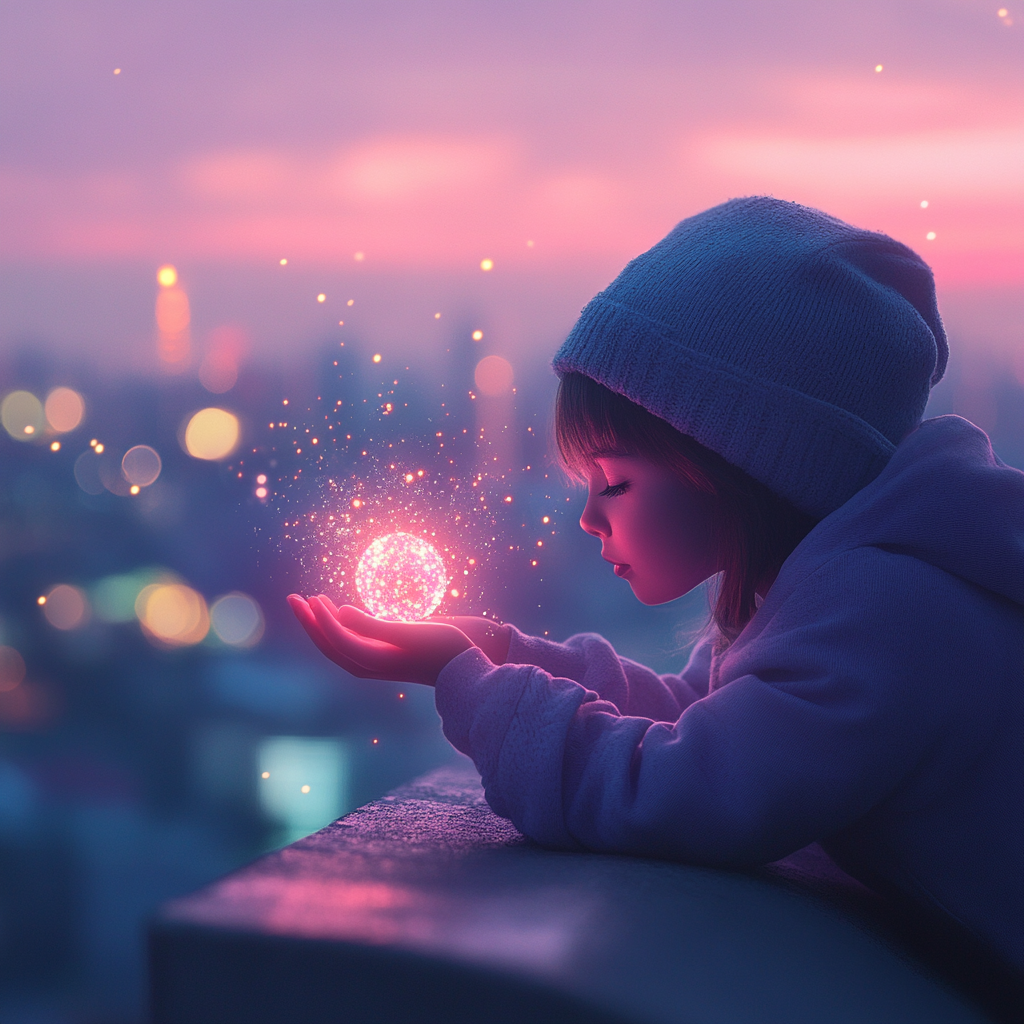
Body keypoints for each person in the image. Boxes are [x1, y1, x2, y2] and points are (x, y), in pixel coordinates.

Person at [289, 197, 1023, 975]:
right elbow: (708, 722)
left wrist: (469, 684)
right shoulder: (837, 586)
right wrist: (499, 651)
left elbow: (681, 791)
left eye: (613, 482)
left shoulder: (880, 617)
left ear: (732, 465)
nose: (586, 519)